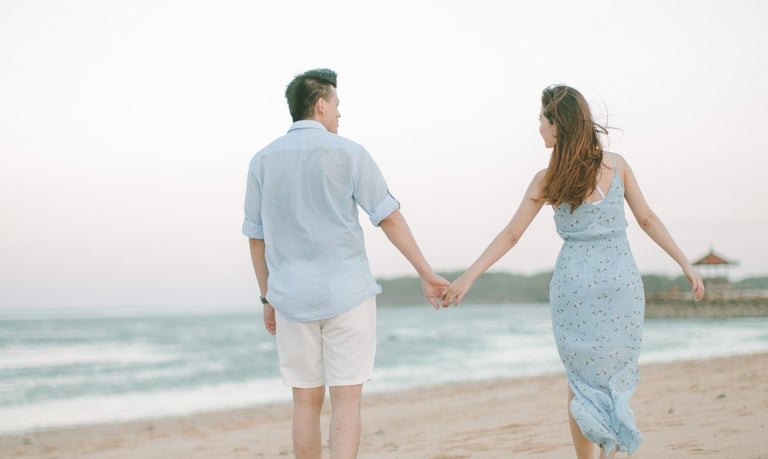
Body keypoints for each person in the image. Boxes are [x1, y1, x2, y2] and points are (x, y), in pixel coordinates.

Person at [441, 85, 705, 459]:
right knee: (613, 377)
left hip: (575, 288)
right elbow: (647, 219)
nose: (538, 129)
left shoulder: (546, 178)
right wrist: (685, 263)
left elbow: (511, 234)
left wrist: (468, 277)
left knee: (580, 382)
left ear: (558, 125)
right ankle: (612, 450)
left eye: (541, 121)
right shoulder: (617, 165)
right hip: (620, 285)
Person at [242, 68, 449, 459]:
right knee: (347, 401)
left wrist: (267, 298)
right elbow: (389, 217)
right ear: (321, 105)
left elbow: (256, 237)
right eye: (337, 105)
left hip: (290, 297)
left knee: (304, 402)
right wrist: (425, 272)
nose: (339, 114)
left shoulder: (262, 160)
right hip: (347, 293)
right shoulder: (350, 152)